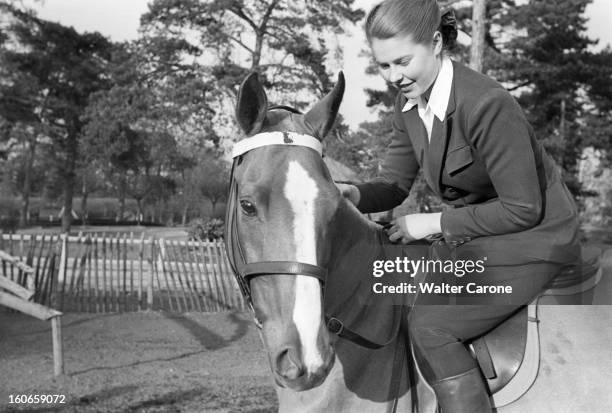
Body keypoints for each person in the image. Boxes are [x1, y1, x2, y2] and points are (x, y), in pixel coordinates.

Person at [337, 0, 582, 412]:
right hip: (480, 235)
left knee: (432, 325)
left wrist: (431, 222)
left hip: (535, 237)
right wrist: (351, 195)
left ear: (435, 43)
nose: (394, 76)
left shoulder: (487, 104)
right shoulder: (409, 105)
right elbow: (394, 185)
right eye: (383, 66)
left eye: (402, 61)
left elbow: (523, 209)